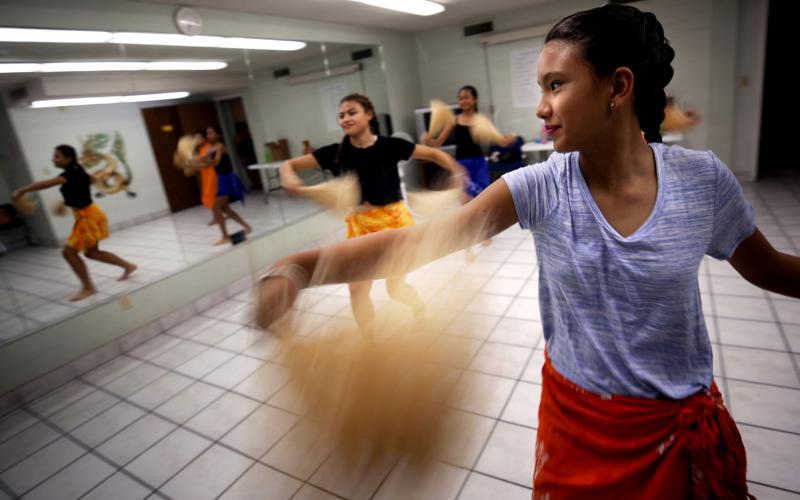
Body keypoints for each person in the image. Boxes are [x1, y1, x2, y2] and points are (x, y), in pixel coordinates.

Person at [257, 4, 800, 498]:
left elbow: (771, 268)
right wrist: (299, 268)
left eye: (556, 85)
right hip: (580, 429)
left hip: (678, 436)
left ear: (618, 86)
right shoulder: (540, 186)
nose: (541, 107)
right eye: (542, 87)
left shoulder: (701, 181)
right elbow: (417, 243)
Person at [279, 93, 467, 341]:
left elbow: (433, 154)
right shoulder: (335, 153)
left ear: (369, 115)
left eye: (352, 112)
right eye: (341, 115)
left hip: (394, 226)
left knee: (395, 289)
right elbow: (288, 165)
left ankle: (420, 310)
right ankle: (369, 343)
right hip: (361, 228)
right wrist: (289, 177)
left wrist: (456, 171)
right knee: (357, 290)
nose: (345, 118)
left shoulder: (390, 146)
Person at [12, 145, 137, 301]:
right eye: (54, 156)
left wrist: (21, 190)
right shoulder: (77, 169)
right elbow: (90, 180)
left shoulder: (71, 173)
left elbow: (45, 184)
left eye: (57, 156)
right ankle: (128, 266)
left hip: (88, 217)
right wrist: (69, 201)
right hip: (90, 214)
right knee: (92, 253)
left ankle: (89, 288)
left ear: (68, 158)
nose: (53, 159)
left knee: (69, 253)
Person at [423, 85, 516, 200]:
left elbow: (499, 141)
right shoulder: (454, 120)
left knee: (482, 196)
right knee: (465, 198)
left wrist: (509, 140)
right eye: (460, 98)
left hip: (479, 164)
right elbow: (437, 143)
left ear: (475, 100)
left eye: (466, 97)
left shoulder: (482, 120)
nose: (463, 101)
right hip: (461, 165)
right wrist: (428, 140)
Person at [188, 126, 252, 245]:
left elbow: (216, 162)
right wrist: (192, 164)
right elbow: (206, 163)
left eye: (212, 133)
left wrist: (198, 160)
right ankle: (247, 227)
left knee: (215, 207)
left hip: (227, 179)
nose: (209, 136)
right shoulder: (210, 149)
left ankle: (225, 236)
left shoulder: (220, 146)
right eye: (208, 134)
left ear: (219, 135)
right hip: (221, 179)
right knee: (225, 209)